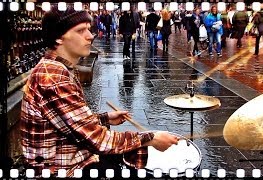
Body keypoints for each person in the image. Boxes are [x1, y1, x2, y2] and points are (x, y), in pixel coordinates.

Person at [20, 5, 179, 178]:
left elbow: (72, 122)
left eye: (89, 29)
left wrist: (103, 118)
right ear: (59, 37)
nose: (90, 36)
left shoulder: (58, 68)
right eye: (81, 31)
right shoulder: (53, 77)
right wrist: (151, 138)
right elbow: (98, 140)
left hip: (72, 157)